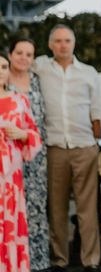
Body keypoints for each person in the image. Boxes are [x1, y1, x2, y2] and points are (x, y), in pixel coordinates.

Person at [33, 24, 101, 272]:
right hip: (54, 148)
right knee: (57, 207)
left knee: (87, 208)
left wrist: (96, 144)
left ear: (74, 43)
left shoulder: (89, 73)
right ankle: (59, 259)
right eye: (58, 41)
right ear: (51, 45)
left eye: (67, 40)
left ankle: (91, 260)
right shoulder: (39, 69)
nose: (63, 45)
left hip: (84, 147)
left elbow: (97, 112)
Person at [7, 38, 50, 272]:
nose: (24, 58)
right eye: (19, 53)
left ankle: (37, 260)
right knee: (12, 206)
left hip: (36, 153)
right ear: (10, 55)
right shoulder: (4, 81)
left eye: (29, 54)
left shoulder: (36, 80)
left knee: (36, 205)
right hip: (10, 155)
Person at [0, 52, 43, 272]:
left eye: (4, 67)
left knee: (10, 222)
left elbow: (35, 135)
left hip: (11, 176)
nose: (1, 71)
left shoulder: (20, 100)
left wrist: (22, 134)